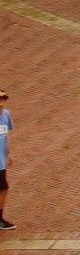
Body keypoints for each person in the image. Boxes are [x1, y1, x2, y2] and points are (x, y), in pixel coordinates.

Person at [0, 87, 13, 231]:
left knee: (3, 188)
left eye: (4, 98)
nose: (2, 102)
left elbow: (5, 137)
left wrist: (8, 154)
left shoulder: (6, 116)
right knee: (3, 187)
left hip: (1, 162)